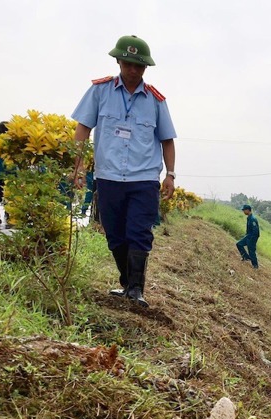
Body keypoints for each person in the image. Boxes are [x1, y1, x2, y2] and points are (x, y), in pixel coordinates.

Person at [72, 35, 177, 308]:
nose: (133, 70)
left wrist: (170, 175)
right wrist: (79, 166)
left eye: (139, 66)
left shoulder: (155, 100)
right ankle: (127, 283)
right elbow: (82, 129)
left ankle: (137, 289)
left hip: (143, 179)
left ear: (146, 69)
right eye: (129, 63)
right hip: (108, 177)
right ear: (118, 61)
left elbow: (167, 140)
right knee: (115, 233)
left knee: (139, 232)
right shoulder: (100, 91)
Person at [236, 204, 260, 269]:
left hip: (252, 237)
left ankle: (255, 266)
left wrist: (252, 240)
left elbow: (256, 231)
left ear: (247, 210)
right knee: (239, 244)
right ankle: (245, 257)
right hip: (248, 236)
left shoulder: (253, 219)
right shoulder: (249, 218)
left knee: (251, 251)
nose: (243, 211)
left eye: (244, 210)